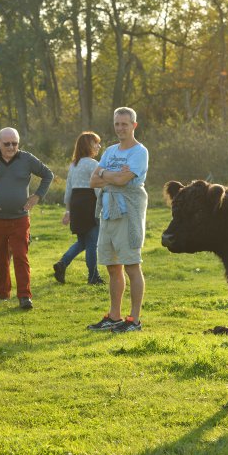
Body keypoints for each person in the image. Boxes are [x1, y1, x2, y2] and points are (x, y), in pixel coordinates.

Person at [0, 127, 53, 309]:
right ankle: (2, 293)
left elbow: (48, 175)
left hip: (20, 218)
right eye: (7, 143)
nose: (11, 147)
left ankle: (25, 296)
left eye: (15, 143)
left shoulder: (26, 159)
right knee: (0, 257)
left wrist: (37, 196)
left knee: (20, 256)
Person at [86, 107, 149, 333]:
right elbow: (93, 181)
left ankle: (134, 319)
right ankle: (114, 316)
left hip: (128, 213)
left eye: (125, 124)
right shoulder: (111, 151)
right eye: (117, 124)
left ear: (134, 125)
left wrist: (106, 175)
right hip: (108, 212)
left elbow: (124, 180)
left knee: (132, 264)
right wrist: (110, 176)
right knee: (113, 266)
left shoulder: (139, 152)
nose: (121, 128)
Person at [53, 132, 104, 285]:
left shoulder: (74, 165)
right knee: (92, 243)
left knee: (83, 241)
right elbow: (97, 189)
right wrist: (102, 207)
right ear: (88, 145)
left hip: (76, 203)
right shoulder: (94, 164)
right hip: (89, 203)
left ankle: (62, 264)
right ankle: (93, 276)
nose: (99, 146)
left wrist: (68, 210)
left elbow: (68, 189)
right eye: (96, 143)